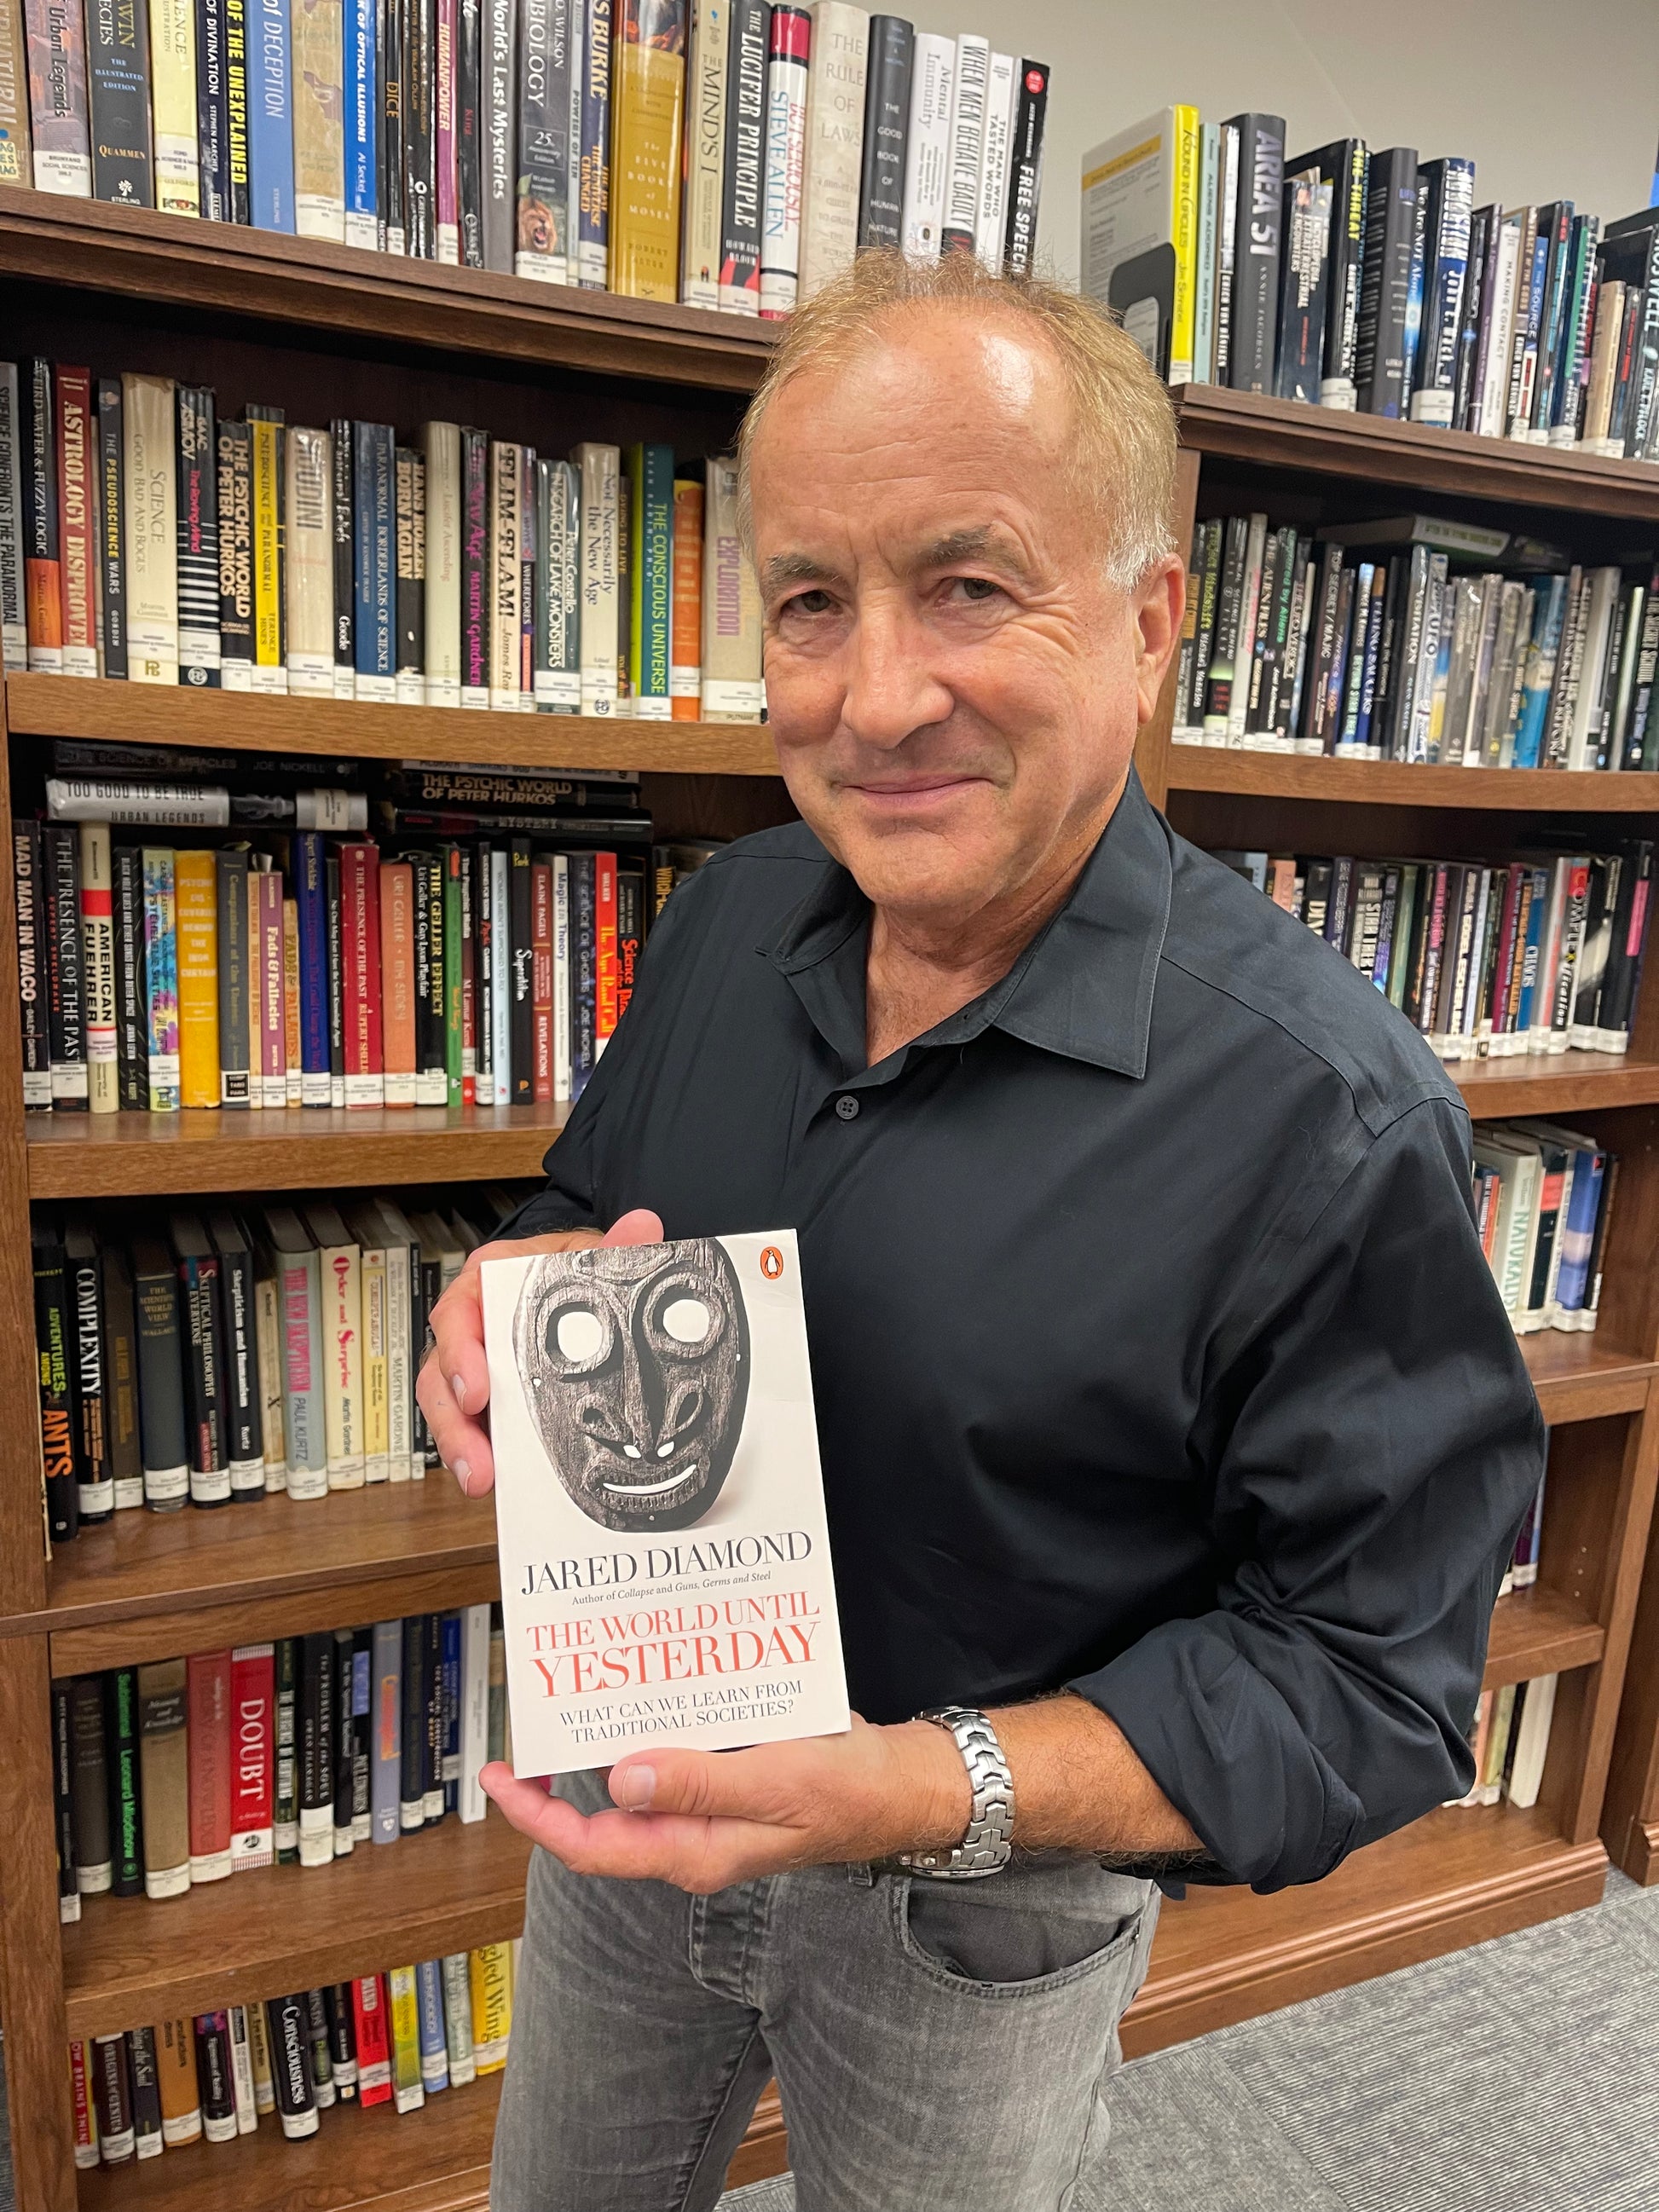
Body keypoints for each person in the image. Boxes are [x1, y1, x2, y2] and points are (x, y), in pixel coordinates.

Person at [419, 251, 1543, 2212]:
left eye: (966, 585)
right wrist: (508, 1291)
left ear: (1148, 620)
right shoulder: (729, 915)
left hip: (973, 1909)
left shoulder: (1328, 1115)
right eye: (811, 600)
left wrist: (923, 1783)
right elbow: (593, 1204)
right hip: (634, 1793)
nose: (875, 698)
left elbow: (1369, 1683)